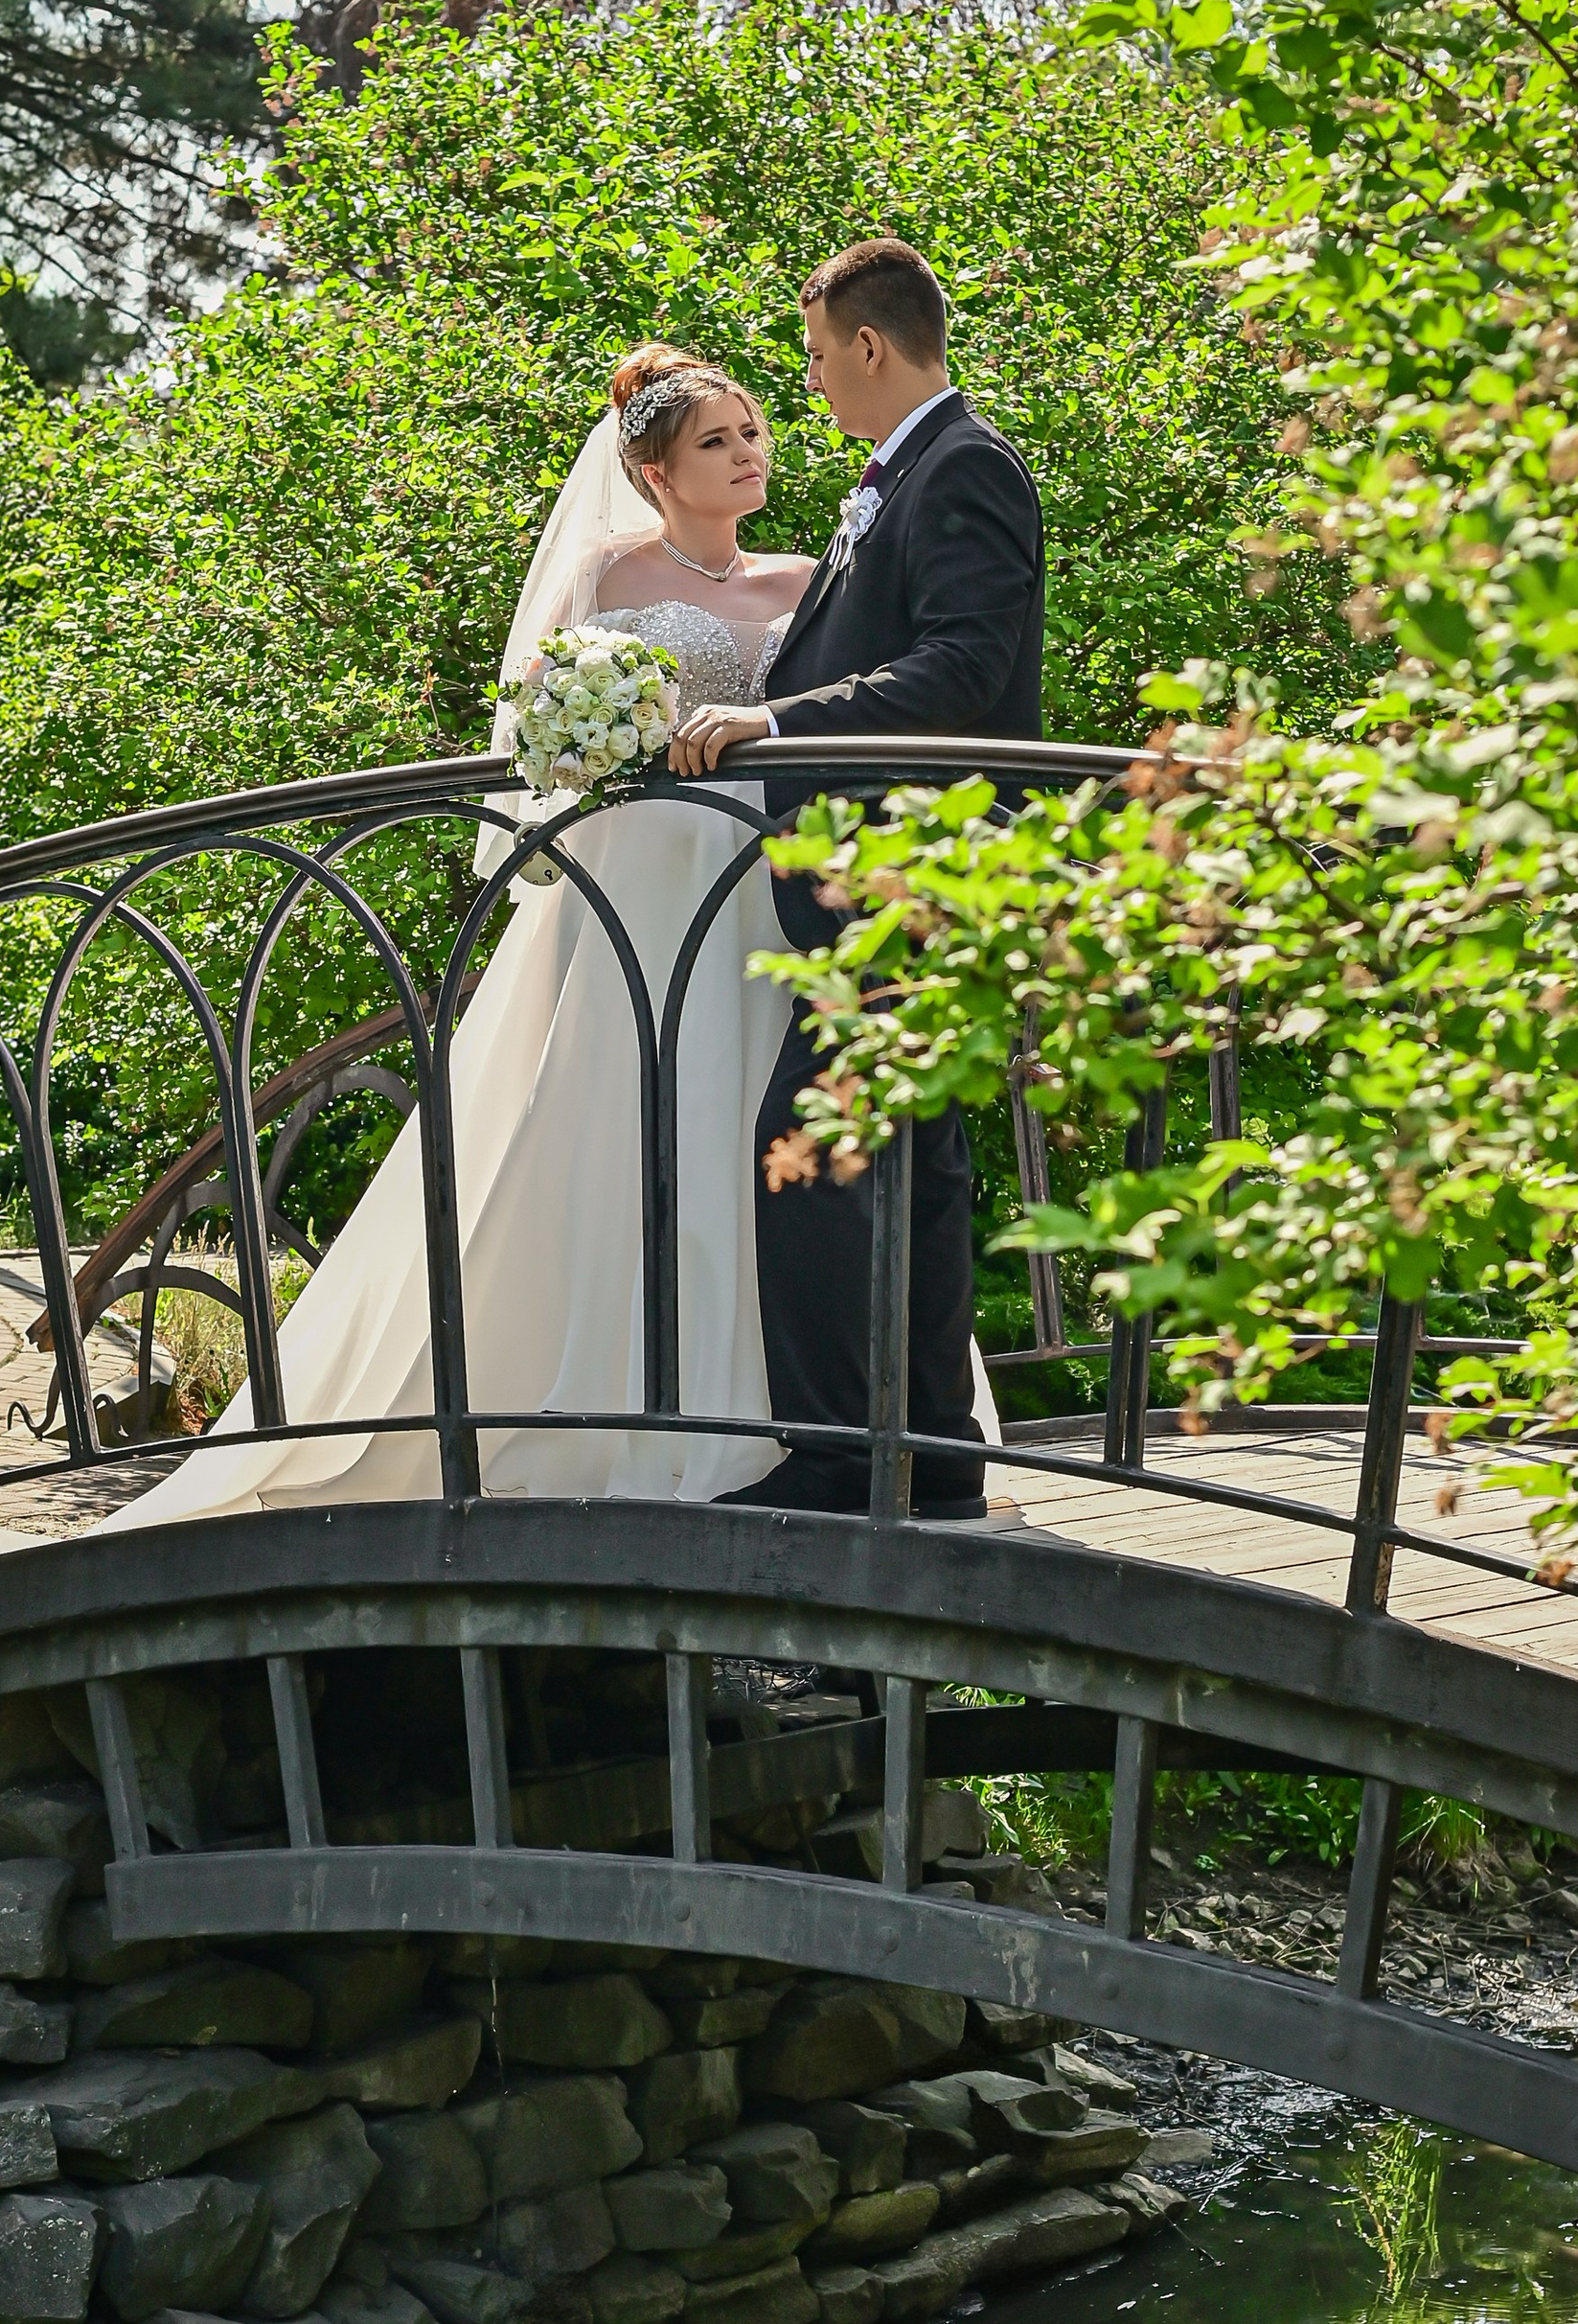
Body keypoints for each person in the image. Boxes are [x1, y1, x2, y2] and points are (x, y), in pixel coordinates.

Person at [102, 345, 815, 1521]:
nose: (749, 455)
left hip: (765, 883)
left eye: (752, 433)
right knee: (628, 1121)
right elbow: (549, 742)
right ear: (649, 468)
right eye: (717, 442)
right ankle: (613, 1411)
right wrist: (602, 736)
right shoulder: (606, 579)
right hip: (645, 880)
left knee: (758, 1120)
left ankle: (786, 1411)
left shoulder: (805, 578)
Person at [667, 236, 1047, 1518]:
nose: (816, 385)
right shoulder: (913, 471)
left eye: (822, 359)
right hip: (875, 877)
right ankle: (930, 1454)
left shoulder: (964, 468)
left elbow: (962, 668)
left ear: (871, 348)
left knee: (816, 1143)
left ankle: (840, 1460)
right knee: (914, 1157)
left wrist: (777, 723)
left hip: (906, 876)